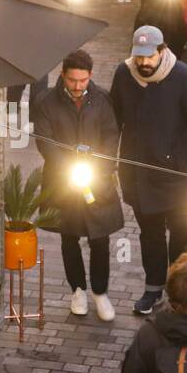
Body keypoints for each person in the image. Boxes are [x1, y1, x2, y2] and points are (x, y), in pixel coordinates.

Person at [110, 25, 187, 316]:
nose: (143, 63)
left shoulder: (184, 76)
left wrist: (177, 156)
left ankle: (182, 292)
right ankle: (154, 289)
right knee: (150, 234)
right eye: (138, 56)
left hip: (178, 177)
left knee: (181, 234)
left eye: (149, 57)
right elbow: (115, 119)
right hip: (140, 176)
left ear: (162, 51)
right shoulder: (123, 74)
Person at [33, 50, 123, 323]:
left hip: (98, 182)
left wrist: (99, 167)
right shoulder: (47, 102)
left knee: (100, 238)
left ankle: (100, 292)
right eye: (73, 80)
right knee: (68, 236)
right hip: (63, 184)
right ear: (63, 76)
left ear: (90, 76)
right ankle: (78, 290)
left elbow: (110, 137)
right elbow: (46, 142)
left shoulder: (102, 100)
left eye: (83, 80)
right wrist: (68, 166)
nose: (77, 86)